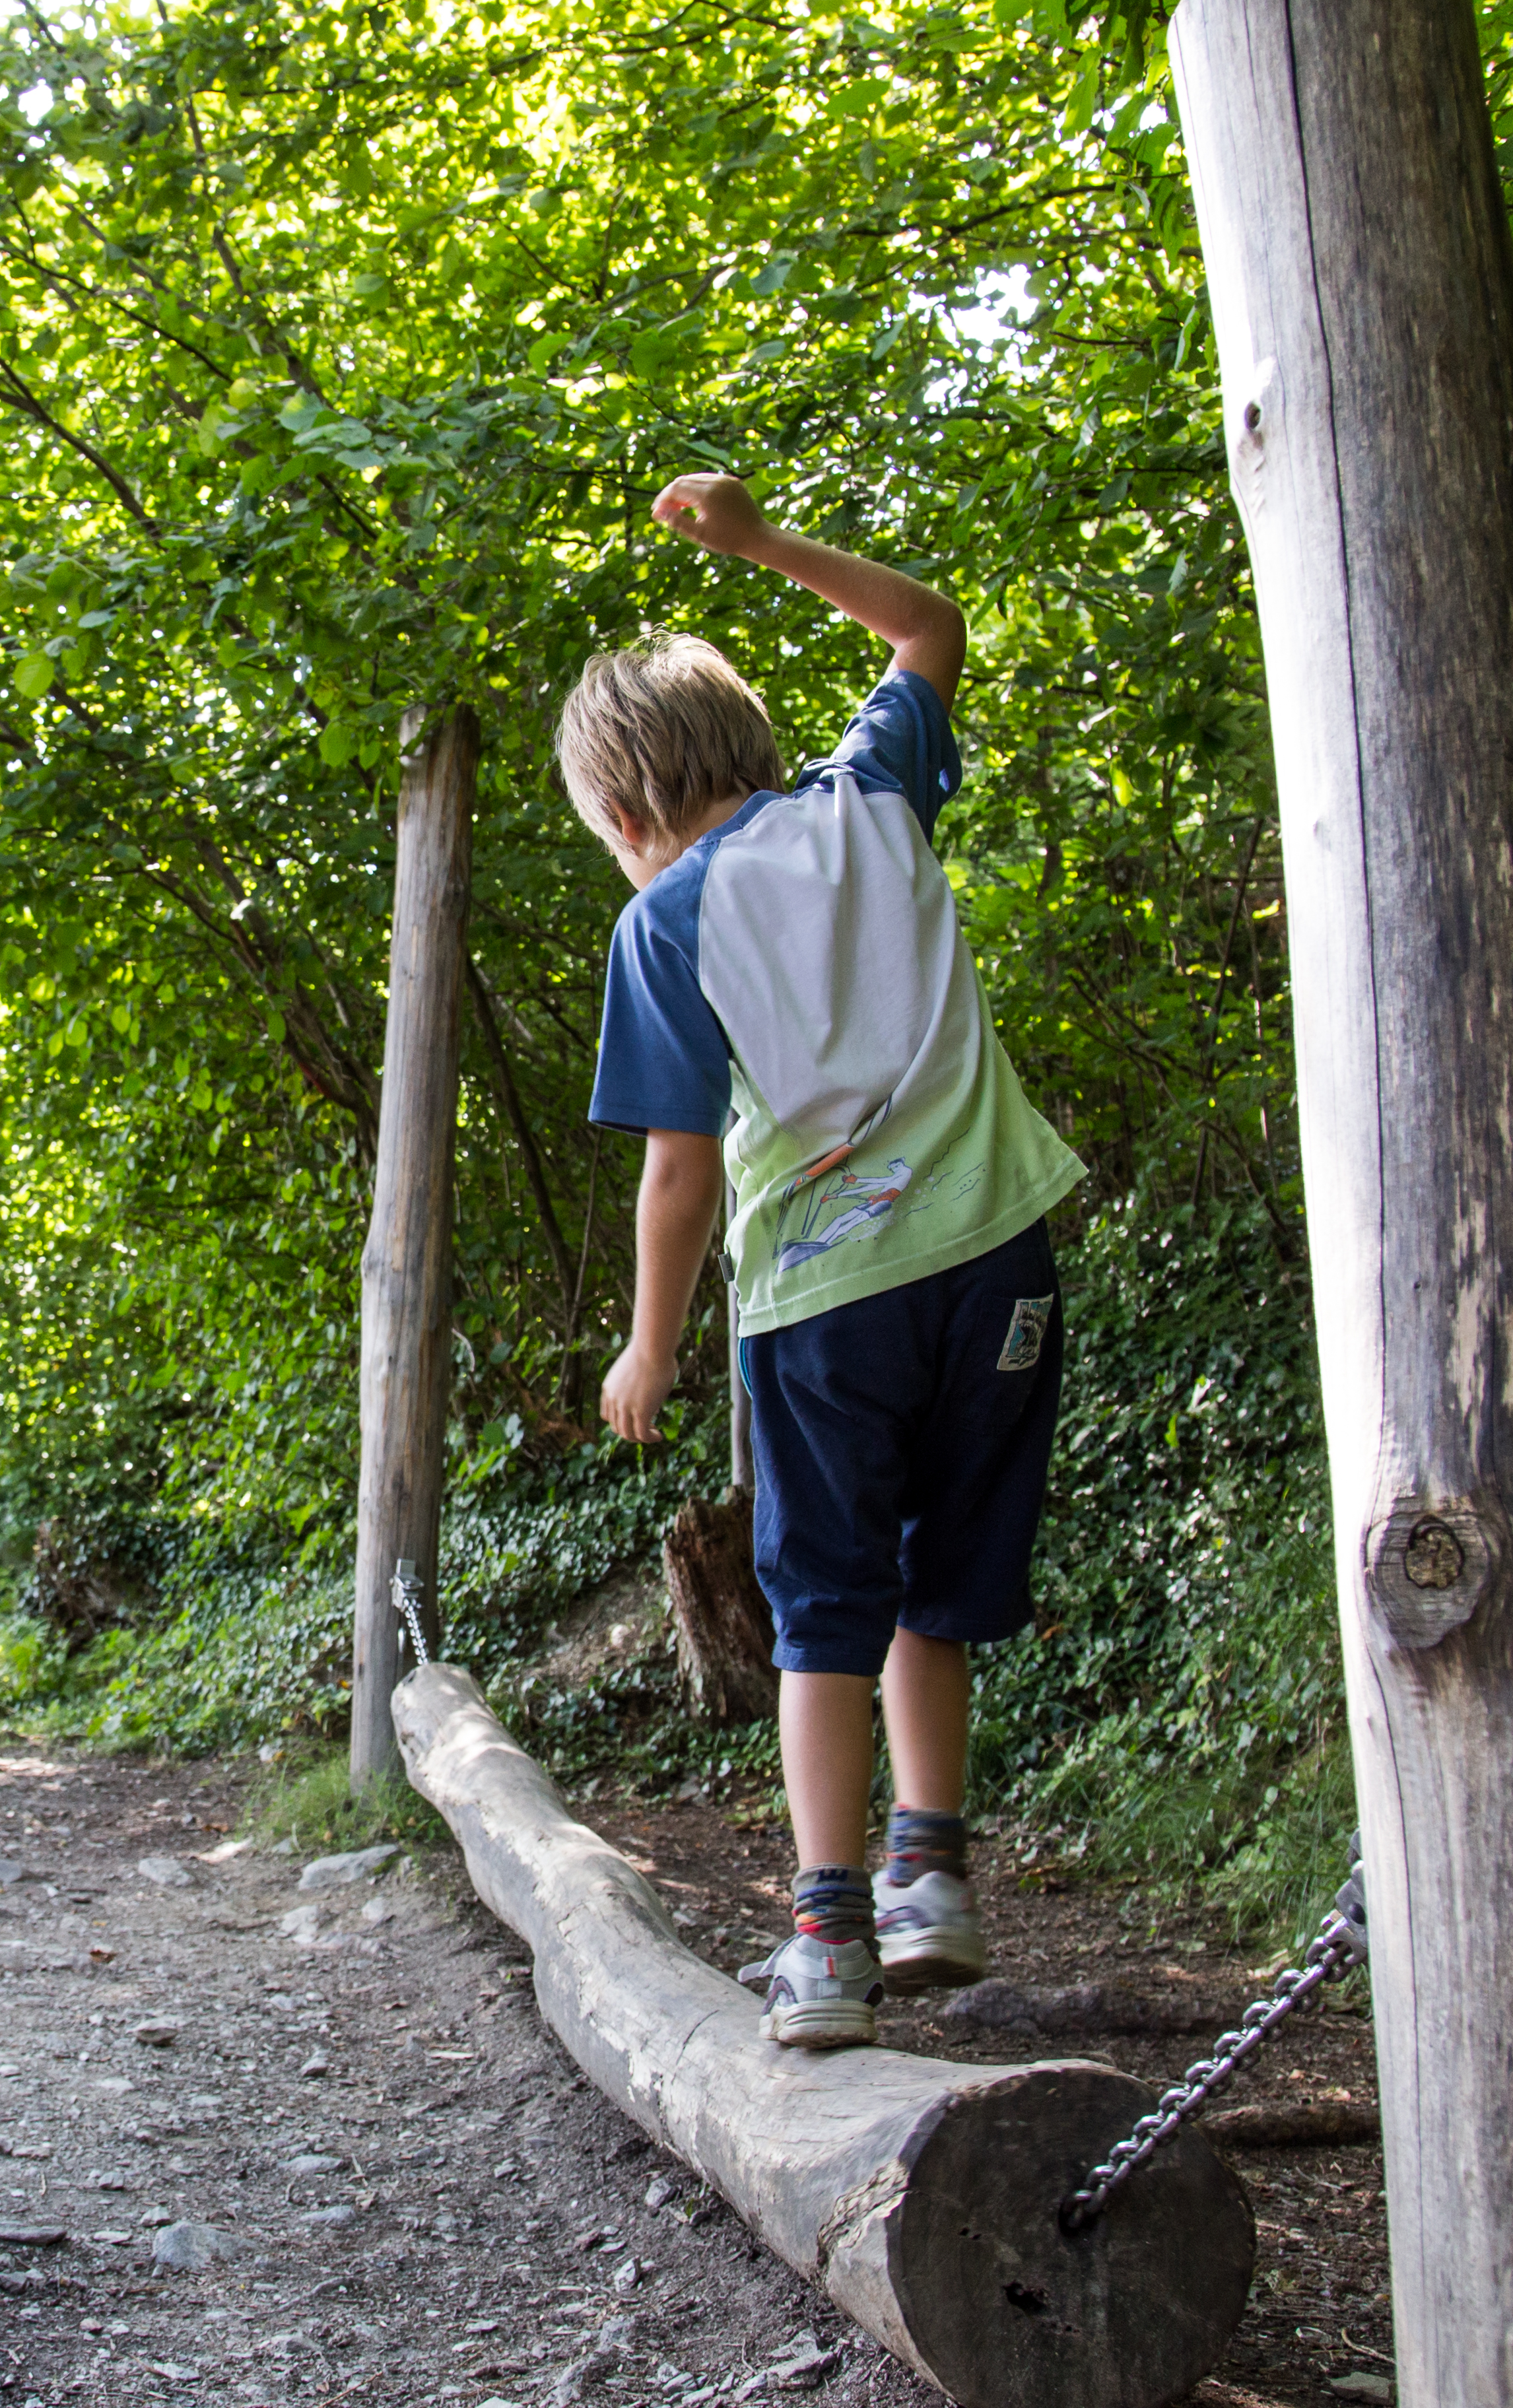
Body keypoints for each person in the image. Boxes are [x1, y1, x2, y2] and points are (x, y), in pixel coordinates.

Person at [570, 473, 1085, 2050]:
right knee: (941, 1582)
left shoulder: (664, 925)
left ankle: (830, 1942)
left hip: (825, 1304)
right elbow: (930, 622)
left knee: (824, 1616)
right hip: (1003, 1258)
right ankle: (935, 1877)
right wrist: (757, 545)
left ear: (628, 813)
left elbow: (677, 1166)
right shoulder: (871, 798)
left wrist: (650, 1344)